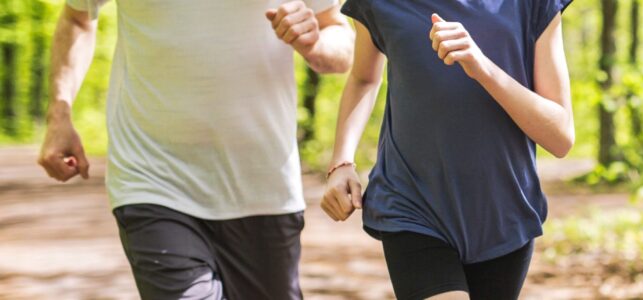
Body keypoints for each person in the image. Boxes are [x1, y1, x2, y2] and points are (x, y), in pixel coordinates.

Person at [36, 0, 354, 298]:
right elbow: (77, 18)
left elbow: (339, 36)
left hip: (264, 185)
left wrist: (314, 44)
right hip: (152, 176)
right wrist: (59, 115)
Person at [322, 0, 573, 298]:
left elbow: (560, 137)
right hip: (412, 204)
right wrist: (341, 161)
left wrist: (482, 68)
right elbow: (363, 78)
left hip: (502, 211)